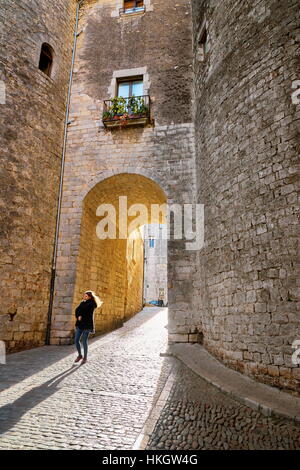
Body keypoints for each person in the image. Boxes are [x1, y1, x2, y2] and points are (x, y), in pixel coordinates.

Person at [74, 290, 102, 364]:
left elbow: (85, 311)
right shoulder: (82, 303)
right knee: (76, 340)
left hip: (87, 325)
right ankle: (80, 355)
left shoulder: (92, 304)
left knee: (84, 341)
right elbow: (77, 310)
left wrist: (80, 314)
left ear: (90, 297)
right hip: (80, 324)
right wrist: (78, 316)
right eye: (84, 295)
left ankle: (85, 358)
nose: (84, 297)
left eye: (86, 296)